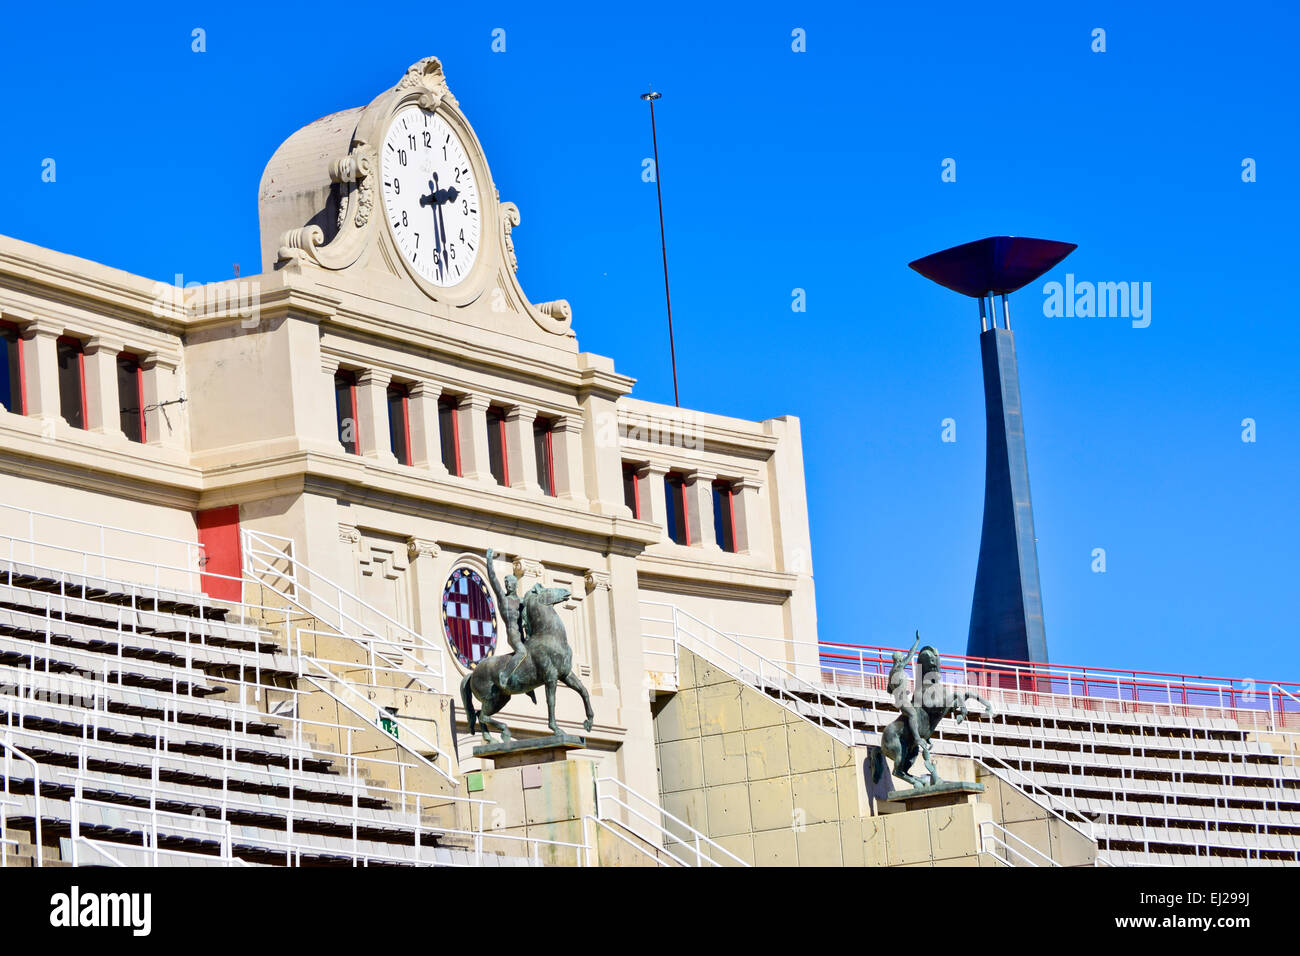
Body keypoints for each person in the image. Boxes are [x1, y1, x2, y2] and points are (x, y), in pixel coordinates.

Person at [484, 548, 530, 689]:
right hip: (513, 635)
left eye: (510, 583)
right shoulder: (504, 600)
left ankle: (528, 686)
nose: (508, 585)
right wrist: (489, 561)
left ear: (515, 585)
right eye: (506, 584)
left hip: (524, 636)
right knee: (522, 652)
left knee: (533, 657)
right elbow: (493, 579)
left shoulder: (522, 601)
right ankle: (504, 675)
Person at [887, 631, 926, 755]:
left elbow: (888, 689)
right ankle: (917, 738)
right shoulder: (899, 667)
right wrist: (917, 642)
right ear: (898, 659)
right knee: (913, 714)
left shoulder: (891, 672)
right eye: (901, 657)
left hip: (900, 699)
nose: (903, 658)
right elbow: (910, 655)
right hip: (902, 700)